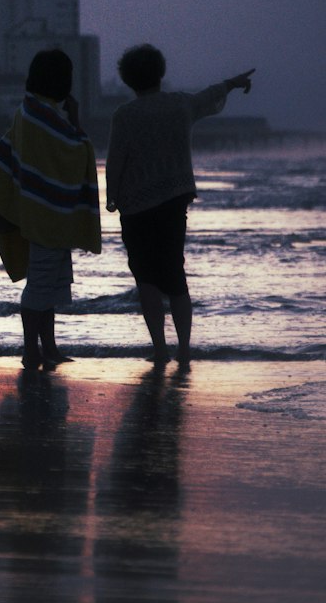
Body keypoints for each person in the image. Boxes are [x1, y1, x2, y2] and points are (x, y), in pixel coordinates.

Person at [105, 44, 255, 365]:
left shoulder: (126, 115)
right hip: (174, 201)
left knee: (145, 278)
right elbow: (208, 96)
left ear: (128, 80)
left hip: (136, 206)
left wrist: (111, 195)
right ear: (161, 73)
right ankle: (184, 349)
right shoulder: (179, 105)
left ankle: (159, 349)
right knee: (174, 274)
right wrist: (233, 82)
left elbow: (116, 159)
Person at [0, 49, 101, 371]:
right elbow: (77, 149)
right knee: (40, 284)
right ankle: (32, 351)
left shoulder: (38, 112)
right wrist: (77, 119)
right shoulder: (38, 116)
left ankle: (50, 348)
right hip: (43, 217)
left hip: (47, 213)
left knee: (51, 284)